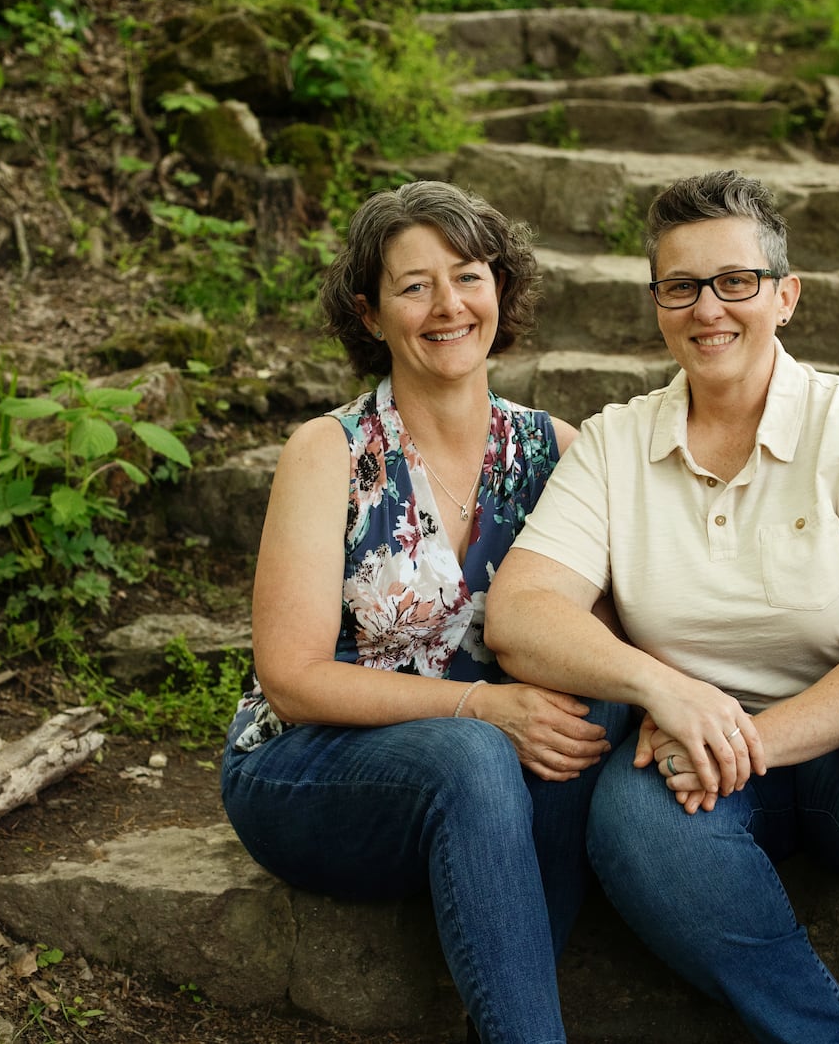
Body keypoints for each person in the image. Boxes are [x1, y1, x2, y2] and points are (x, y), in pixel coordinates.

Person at [485, 170, 839, 1044]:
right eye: (681, 286)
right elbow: (521, 612)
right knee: (636, 820)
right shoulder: (616, 443)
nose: (709, 310)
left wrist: (751, 740)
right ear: (657, 303)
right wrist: (669, 691)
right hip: (701, 765)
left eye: (736, 282)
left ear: (786, 296)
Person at [220, 179, 629, 1044]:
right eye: (415, 286)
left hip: (493, 783)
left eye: (469, 275)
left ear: (500, 290)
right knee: (476, 754)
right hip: (313, 771)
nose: (448, 305)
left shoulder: (558, 449)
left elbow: (609, 634)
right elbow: (290, 680)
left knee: (594, 704)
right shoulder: (327, 452)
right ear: (372, 316)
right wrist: (478, 705)